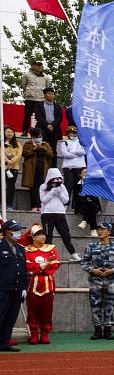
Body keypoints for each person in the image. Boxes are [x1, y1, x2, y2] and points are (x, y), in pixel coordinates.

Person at [80, 222, 114, 340]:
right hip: (95, 282)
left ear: (109, 232)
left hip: (110, 282)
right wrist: (92, 270)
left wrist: (112, 270)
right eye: (98, 229)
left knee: (109, 305)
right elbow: (84, 262)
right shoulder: (91, 246)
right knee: (95, 305)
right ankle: (97, 330)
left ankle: (107, 330)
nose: (100, 232)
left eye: (103, 229)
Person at [22, 226, 58, 344]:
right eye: (39, 234)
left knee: (47, 309)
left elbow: (54, 266)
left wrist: (37, 269)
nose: (43, 237)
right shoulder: (26, 250)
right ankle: (33, 333)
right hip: (33, 283)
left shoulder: (51, 249)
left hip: (47, 283)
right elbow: (28, 267)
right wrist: (43, 266)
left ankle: (44, 333)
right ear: (32, 237)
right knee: (32, 309)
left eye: (43, 234)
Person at [37, 168, 79, 261]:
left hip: (60, 213)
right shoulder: (43, 187)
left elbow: (66, 200)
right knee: (48, 235)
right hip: (47, 213)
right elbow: (43, 200)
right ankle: (48, 255)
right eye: (56, 178)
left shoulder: (62, 187)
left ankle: (73, 253)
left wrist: (59, 193)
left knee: (65, 234)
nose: (58, 180)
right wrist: (52, 192)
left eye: (59, 178)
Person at [0, 219, 28, 351]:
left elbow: (23, 268)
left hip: (17, 288)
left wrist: (24, 287)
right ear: (7, 232)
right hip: (3, 288)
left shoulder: (20, 248)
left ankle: (4, 342)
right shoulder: (1, 246)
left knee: (11, 317)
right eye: (15, 230)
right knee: (1, 315)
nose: (18, 232)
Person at [21, 130, 55, 210]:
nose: (39, 138)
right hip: (31, 169)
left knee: (42, 187)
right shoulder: (28, 144)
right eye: (37, 137)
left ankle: (40, 205)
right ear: (33, 137)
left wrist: (45, 149)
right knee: (33, 188)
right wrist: (34, 149)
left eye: (40, 137)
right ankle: (34, 206)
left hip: (43, 168)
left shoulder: (45, 144)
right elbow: (24, 154)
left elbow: (51, 155)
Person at [57, 126, 85, 206]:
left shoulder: (81, 142)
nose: (74, 134)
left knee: (78, 186)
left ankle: (75, 206)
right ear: (68, 133)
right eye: (72, 132)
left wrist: (72, 151)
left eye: (75, 133)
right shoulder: (64, 143)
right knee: (68, 185)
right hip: (68, 167)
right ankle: (66, 204)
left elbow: (84, 152)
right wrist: (77, 154)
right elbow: (65, 154)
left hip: (80, 167)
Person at [20, 62, 48, 135]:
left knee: (41, 117)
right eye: (37, 65)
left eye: (40, 65)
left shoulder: (46, 76)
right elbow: (24, 85)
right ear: (33, 66)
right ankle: (25, 131)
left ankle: (41, 132)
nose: (39, 67)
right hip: (30, 99)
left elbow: (47, 88)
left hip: (41, 100)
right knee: (27, 116)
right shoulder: (27, 75)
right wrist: (30, 92)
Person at [4, 128, 20, 210]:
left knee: (11, 186)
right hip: (3, 167)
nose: (10, 133)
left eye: (11, 132)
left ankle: (9, 204)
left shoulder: (17, 143)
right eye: (8, 132)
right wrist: (7, 161)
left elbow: (19, 154)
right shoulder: (2, 143)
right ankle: (1, 204)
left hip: (13, 168)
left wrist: (11, 161)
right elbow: (1, 153)